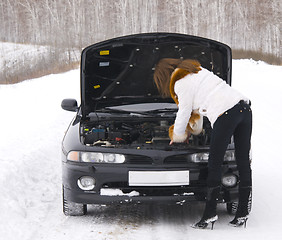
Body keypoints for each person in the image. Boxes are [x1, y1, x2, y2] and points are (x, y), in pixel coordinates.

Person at [153, 58, 252, 229]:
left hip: (226, 113)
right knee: (243, 161)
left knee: (214, 163)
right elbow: (199, 109)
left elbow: (184, 111)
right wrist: (192, 128)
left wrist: (177, 135)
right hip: (244, 109)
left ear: (164, 75)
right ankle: (242, 212)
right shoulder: (197, 70)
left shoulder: (179, 83)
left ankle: (209, 215)